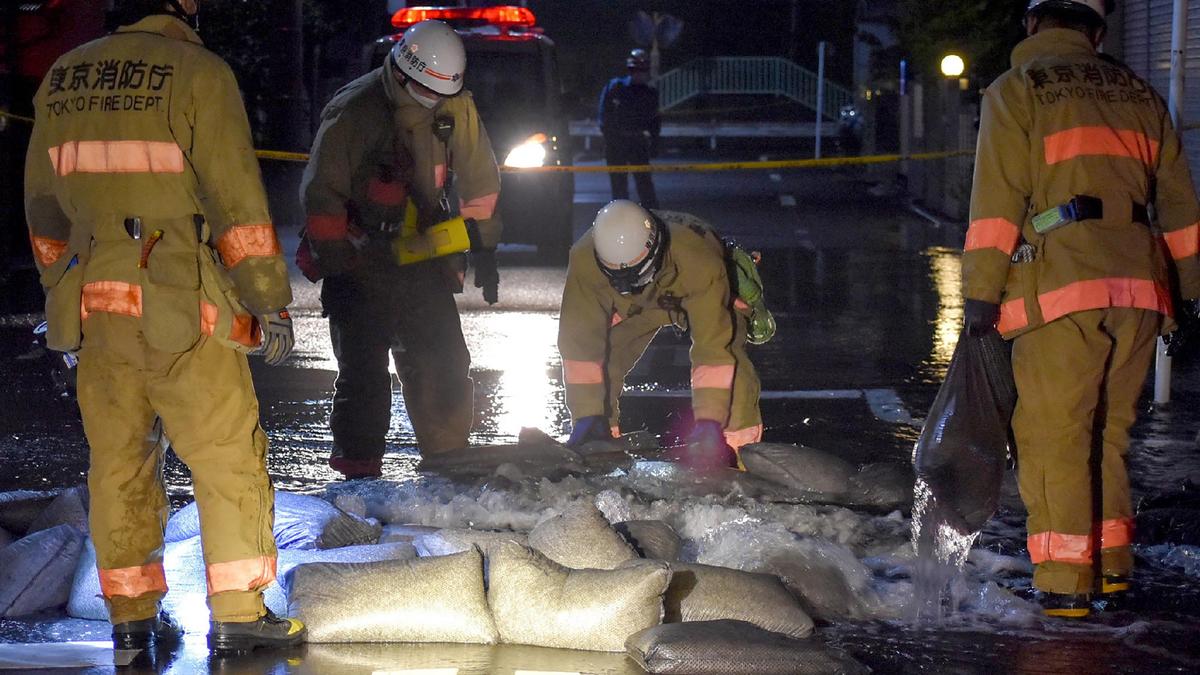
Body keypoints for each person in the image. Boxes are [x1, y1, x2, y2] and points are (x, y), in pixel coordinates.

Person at [23, 0, 305, 653]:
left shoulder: (64, 76)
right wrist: (268, 301)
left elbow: (43, 212)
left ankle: (130, 618)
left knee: (119, 463)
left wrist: (63, 292)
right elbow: (237, 209)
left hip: (97, 304)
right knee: (226, 457)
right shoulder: (197, 72)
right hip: (182, 302)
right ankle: (237, 614)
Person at [961, 0, 1200, 618]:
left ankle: (1066, 586)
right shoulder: (1140, 93)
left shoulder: (1017, 90)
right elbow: (1180, 208)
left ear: (1033, 22)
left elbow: (995, 205)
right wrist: (1191, 298)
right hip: (1142, 287)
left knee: (1055, 438)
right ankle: (1113, 569)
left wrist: (981, 295)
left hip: (1063, 284)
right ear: (1097, 30)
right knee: (1108, 436)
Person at [299, 19, 501, 479]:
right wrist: (340, 265)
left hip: (422, 259)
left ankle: (447, 463)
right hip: (359, 260)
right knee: (364, 376)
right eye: (428, 94)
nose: (434, 103)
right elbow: (321, 194)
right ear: (405, 75)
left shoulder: (455, 108)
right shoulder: (356, 110)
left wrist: (484, 248)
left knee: (446, 363)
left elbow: (481, 185)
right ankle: (358, 476)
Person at [558, 200, 763, 470]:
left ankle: (740, 456)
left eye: (635, 275)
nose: (629, 282)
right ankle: (600, 452)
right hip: (638, 306)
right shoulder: (585, 260)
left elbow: (712, 349)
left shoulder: (699, 259)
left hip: (693, 289)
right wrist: (588, 415)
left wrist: (710, 421)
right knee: (605, 356)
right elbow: (581, 345)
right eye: (620, 278)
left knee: (733, 368)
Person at [598, 48, 661, 209]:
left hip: (638, 141)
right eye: (635, 69)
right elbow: (604, 116)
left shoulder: (650, 93)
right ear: (630, 70)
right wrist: (610, 139)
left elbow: (655, 121)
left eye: (642, 70)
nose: (639, 73)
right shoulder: (615, 87)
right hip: (616, 143)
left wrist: (654, 143)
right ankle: (621, 219)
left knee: (645, 185)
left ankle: (653, 219)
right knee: (619, 187)